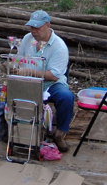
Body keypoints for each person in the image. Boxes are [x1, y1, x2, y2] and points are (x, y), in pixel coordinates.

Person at [16, 10, 74, 152]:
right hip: (29, 81)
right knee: (9, 94)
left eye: (38, 27)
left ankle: (60, 133)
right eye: (31, 27)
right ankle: (15, 129)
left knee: (66, 97)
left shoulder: (59, 47)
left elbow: (54, 75)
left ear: (48, 25)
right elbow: (19, 59)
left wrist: (29, 71)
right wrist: (15, 68)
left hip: (51, 84)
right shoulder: (27, 39)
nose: (34, 31)